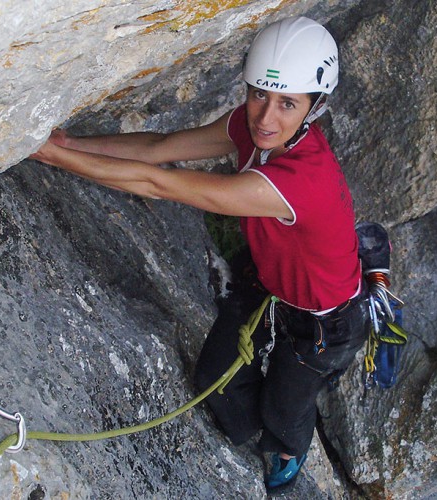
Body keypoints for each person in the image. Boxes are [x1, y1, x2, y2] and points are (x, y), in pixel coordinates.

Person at [31, 16, 369, 494]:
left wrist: (50, 156)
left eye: (287, 104)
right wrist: (71, 144)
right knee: (218, 378)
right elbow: (162, 148)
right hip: (271, 285)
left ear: (314, 107)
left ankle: (285, 448)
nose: (265, 118)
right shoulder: (254, 130)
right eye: (259, 95)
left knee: (286, 407)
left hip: (324, 323)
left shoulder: (298, 180)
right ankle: (244, 435)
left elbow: (158, 183)